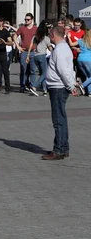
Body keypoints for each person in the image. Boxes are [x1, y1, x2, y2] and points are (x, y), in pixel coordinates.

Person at [43, 25, 79, 160]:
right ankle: (63, 148)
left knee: (58, 120)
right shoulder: (65, 48)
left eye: (50, 34)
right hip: (60, 86)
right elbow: (70, 69)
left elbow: (64, 70)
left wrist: (71, 86)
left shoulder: (59, 50)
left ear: (53, 35)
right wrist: (71, 84)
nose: (49, 37)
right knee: (61, 118)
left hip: (58, 87)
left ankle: (58, 150)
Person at [27, 20, 52, 97]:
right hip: (42, 56)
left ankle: (45, 90)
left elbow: (30, 46)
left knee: (41, 73)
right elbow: (50, 48)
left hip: (35, 56)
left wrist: (28, 56)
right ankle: (34, 86)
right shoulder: (46, 38)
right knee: (45, 73)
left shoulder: (35, 37)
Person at [13, 13, 37, 92]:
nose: (26, 21)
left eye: (28, 19)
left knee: (33, 70)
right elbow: (15, 36)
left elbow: (40, 39)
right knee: (23, 70)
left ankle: (32, 86)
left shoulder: (35, 29)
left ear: (32, 20)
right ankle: (22, 86)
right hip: (24, 51)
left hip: (33, 52)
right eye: (25, 19)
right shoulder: (22, 28)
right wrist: (18, 46)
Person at [68, 27, 91, 97]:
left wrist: (69, 37)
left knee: (88, 76)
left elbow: (71, 44)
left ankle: (89, 92)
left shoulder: (80, 40)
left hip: (79, 59)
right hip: (88, 60)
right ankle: (82, 85)